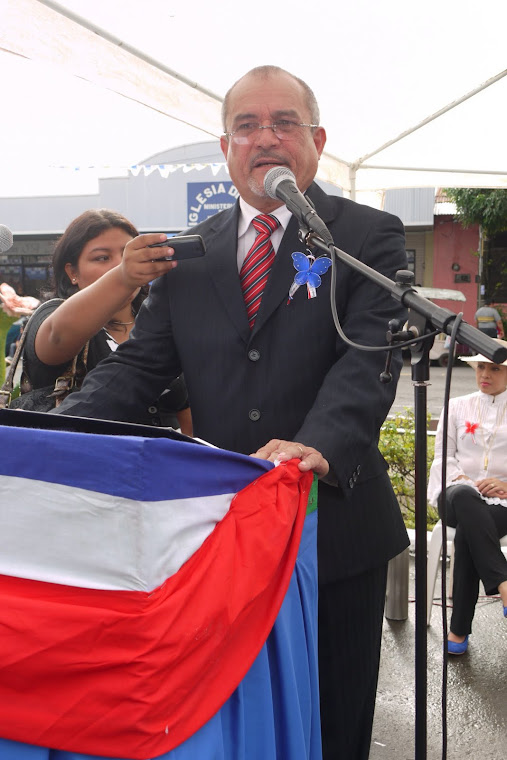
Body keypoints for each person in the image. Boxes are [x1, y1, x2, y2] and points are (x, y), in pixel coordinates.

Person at [54, 66, 409, 759]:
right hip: (223, 537)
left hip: (331, 529)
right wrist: (49, 435)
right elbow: (138, 367)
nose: (264, 138)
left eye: (283, 123)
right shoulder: (190, 253)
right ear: (225, 148)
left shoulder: (366, 236)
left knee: (333, 725)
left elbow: (367, 363)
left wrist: (317, 443)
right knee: (240, 722)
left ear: (317, 140)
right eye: (246, 126)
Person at [22, 208, 191, 433]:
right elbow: (57, 334)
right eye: (102, 257)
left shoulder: (158, 321)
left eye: (126, 255)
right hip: (79, 460)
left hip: (160, 463)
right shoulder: (53, 315)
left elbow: (188, 416)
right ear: (72, 271)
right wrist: (123, 275)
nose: (119, 264)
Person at [428, 339, 507, 655]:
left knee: (468, 534)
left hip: (501, 505)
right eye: (482, 367)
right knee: (464, 497)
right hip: (454, 494)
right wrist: (467, 483)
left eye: (495, 369)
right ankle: (503, 584)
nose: (485, 374)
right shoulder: (457, 406)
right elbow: (442, 457)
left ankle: (459, 630)